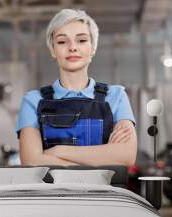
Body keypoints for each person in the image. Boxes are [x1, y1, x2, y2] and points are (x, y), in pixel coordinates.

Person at [15, 9, 137, 166]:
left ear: (93, 48)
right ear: (53, 50)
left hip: (104, 191)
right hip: (51, 191)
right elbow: (32, 162)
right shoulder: (33, 101)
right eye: (61, 42)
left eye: (81, 40)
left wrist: (59, 151)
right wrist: (104, 156)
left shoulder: (116, 96)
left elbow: (126, 156)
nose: (72, 47)